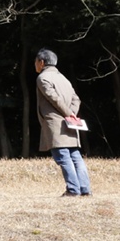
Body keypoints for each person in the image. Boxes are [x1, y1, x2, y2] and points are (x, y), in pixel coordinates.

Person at [34, 49, 91, 197]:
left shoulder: (43, 78)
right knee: (76, 157)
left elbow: (54, 99)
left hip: (56, 125)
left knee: (64, 157)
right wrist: (72, 114)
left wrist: (68, 113)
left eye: (36, 61)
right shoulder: (64, 78)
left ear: (42, 62)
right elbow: (76, 99)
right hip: (70, 123)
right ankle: (85, 189)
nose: (35, 64)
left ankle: (73, 190)